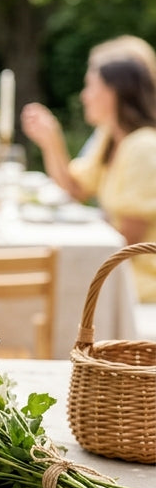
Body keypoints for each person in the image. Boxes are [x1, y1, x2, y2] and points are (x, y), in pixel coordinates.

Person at [21, 36, 156, 301]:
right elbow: (75, 189)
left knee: (46, 286)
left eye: (90, 87)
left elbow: (129, 242)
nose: (84, 96)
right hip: (116, 271)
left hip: (139, 279)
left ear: (113, 92)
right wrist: (51, 142)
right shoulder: (110, 137)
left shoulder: (143, 147)